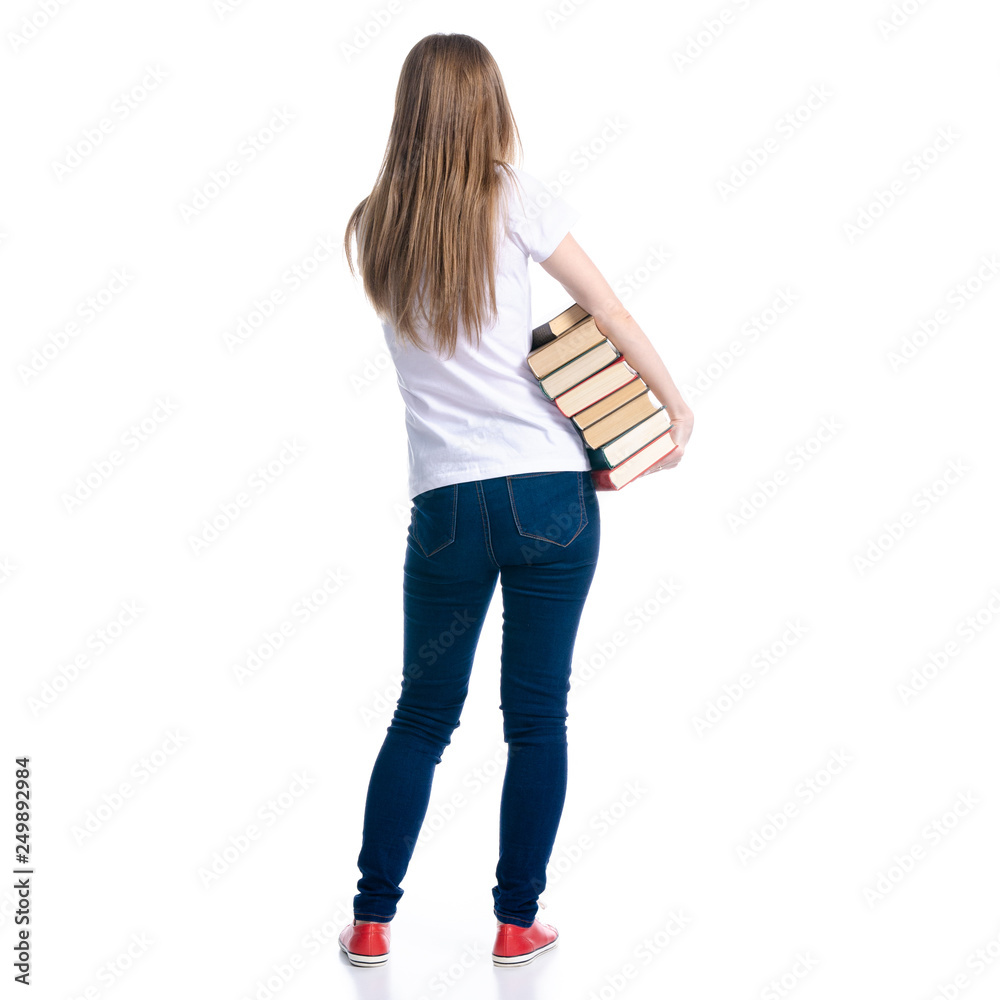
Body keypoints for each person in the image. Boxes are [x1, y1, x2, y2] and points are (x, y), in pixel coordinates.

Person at [339, 32, 693, 969]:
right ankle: (515, 922)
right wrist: (674, 408)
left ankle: (371, 921)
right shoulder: (513, 196)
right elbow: (609, 312)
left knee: (422, 715)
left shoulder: (374, 223)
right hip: (548, 495)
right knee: (537, 717)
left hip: (446, 508)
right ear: (488, 105)